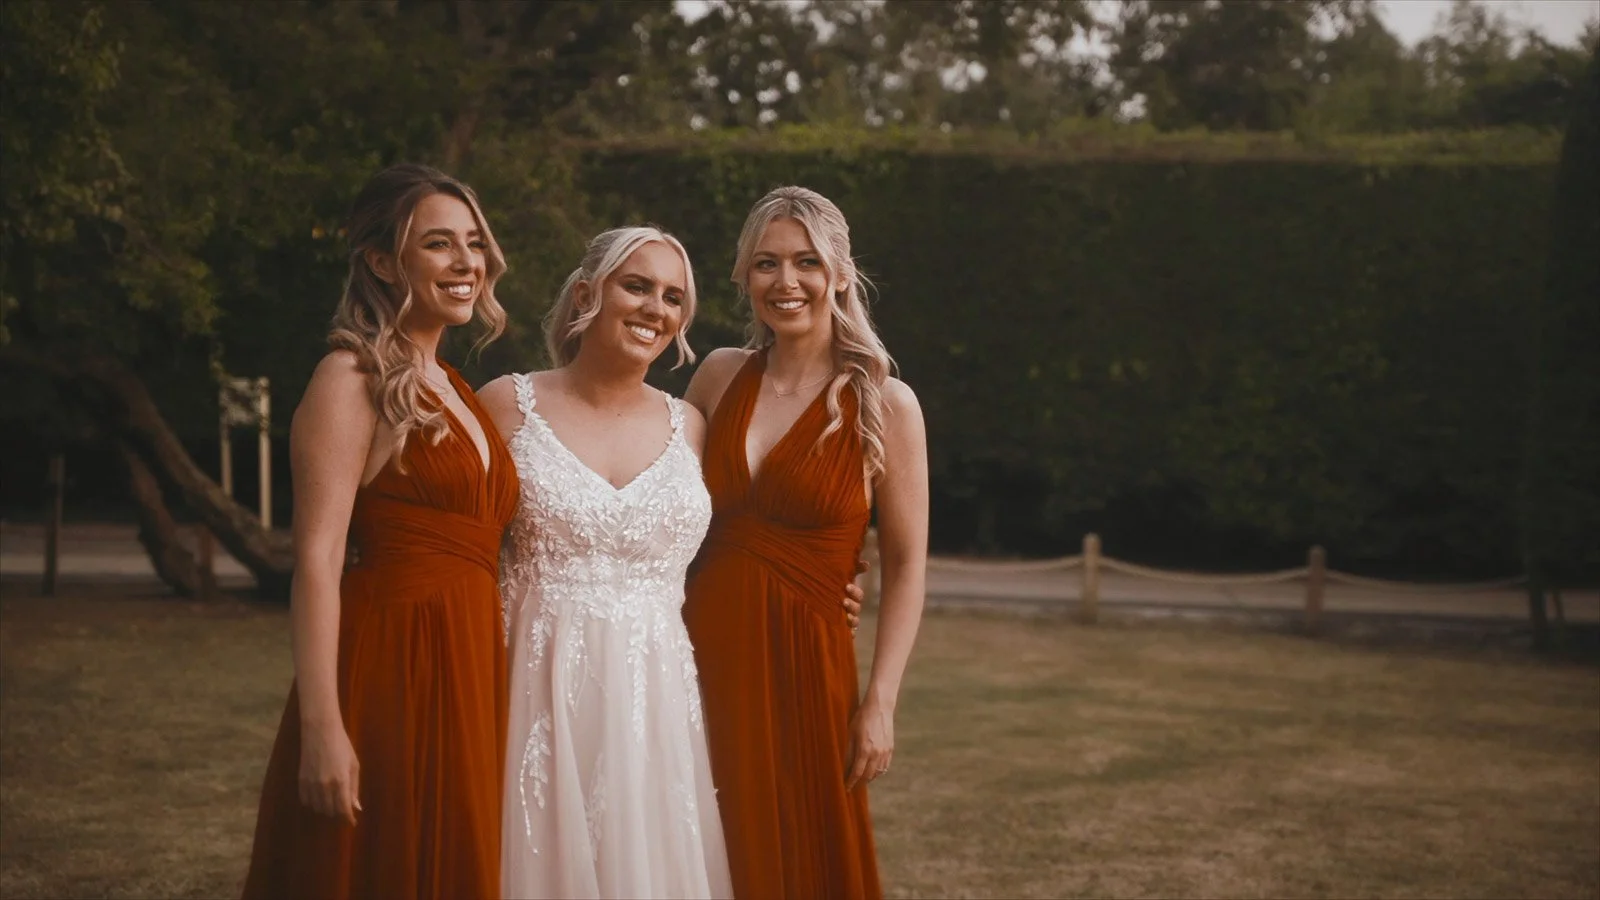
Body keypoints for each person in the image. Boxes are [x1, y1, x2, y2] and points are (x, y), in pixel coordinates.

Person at [242, 163, 519, 900]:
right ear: (380, 261)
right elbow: (316, 561)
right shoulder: (350, 377)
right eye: (438, 244)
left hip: (469, 663)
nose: (467, 264)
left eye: (474, 243)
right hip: (393, 666)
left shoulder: (454, 385)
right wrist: (323, 726)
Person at [681, 186, 930, 900]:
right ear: (744, 277)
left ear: (841, 273)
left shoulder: (886, 403)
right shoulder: (718, 377)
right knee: (701, 840)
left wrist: (880, 701)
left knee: (802, 853)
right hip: (695, 652)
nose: (785, 282)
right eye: (766, 264)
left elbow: (910, 565)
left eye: (806, 262)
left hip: (809, 663)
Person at [477, 226, 731, 899]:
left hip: (656, 700)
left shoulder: (694, 427)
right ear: (590, 292)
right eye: (637, 285)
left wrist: (841, 579)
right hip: (532, 687)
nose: (656, 307)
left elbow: (755, 535)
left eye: (674, 297)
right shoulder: (507, 406)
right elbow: (449, 540)